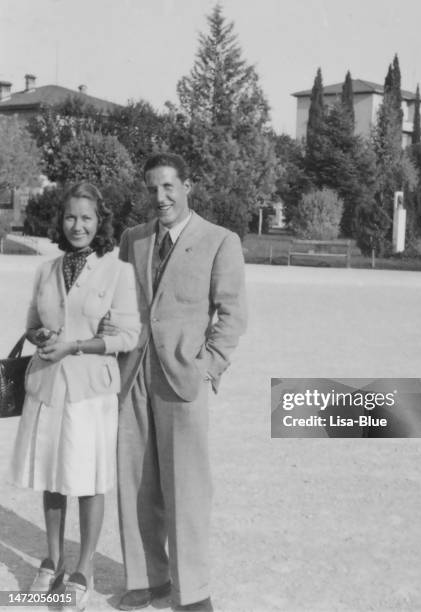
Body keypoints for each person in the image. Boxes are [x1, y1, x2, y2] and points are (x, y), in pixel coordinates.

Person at [101, 153, 247, 612]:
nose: (159, 197)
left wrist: (210, 365)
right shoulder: (133, 239)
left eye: (168, 187)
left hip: (185, 377)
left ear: (189, 186)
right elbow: (118, 304)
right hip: (133, 375)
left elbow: (232, 312)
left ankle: (193, 591)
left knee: (186, 488)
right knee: (136, 483)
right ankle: (148, 579)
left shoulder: (220, 241)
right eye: (152, 189)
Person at [8, 182, 141, 610]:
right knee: (51, 479)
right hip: (47, 387)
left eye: (86, 218)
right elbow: (31, 322)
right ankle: (52, 561)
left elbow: (127, 336)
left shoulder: (117, 271)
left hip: (89, 393)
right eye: (70, 217)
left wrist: (76, 346)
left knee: (87, 481)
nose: (77, 225)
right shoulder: (46, 270)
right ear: (60, 221)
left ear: (100, 222)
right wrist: (41, 334)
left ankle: (82, 569)